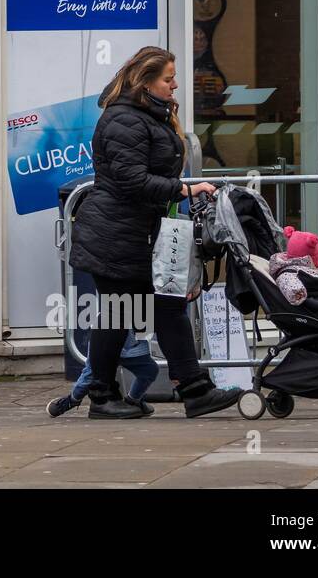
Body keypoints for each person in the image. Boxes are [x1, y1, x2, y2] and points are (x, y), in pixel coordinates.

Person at [68, 46, 242, 419]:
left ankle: (191, 390)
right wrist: (184, 189)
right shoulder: (124, 119)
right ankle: (105, 396)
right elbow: (131, 179)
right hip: (115, 234)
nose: (175, 85)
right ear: (145, 81)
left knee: (160, 305)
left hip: (134, 231)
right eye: (168, 79)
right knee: (120, 313)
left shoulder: (145, 114)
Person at [48, 330, 159, 417]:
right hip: (106, 339)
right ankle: (71, 400)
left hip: (133, 344)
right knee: (91, 376)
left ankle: (133, 400)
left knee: (150, 370)